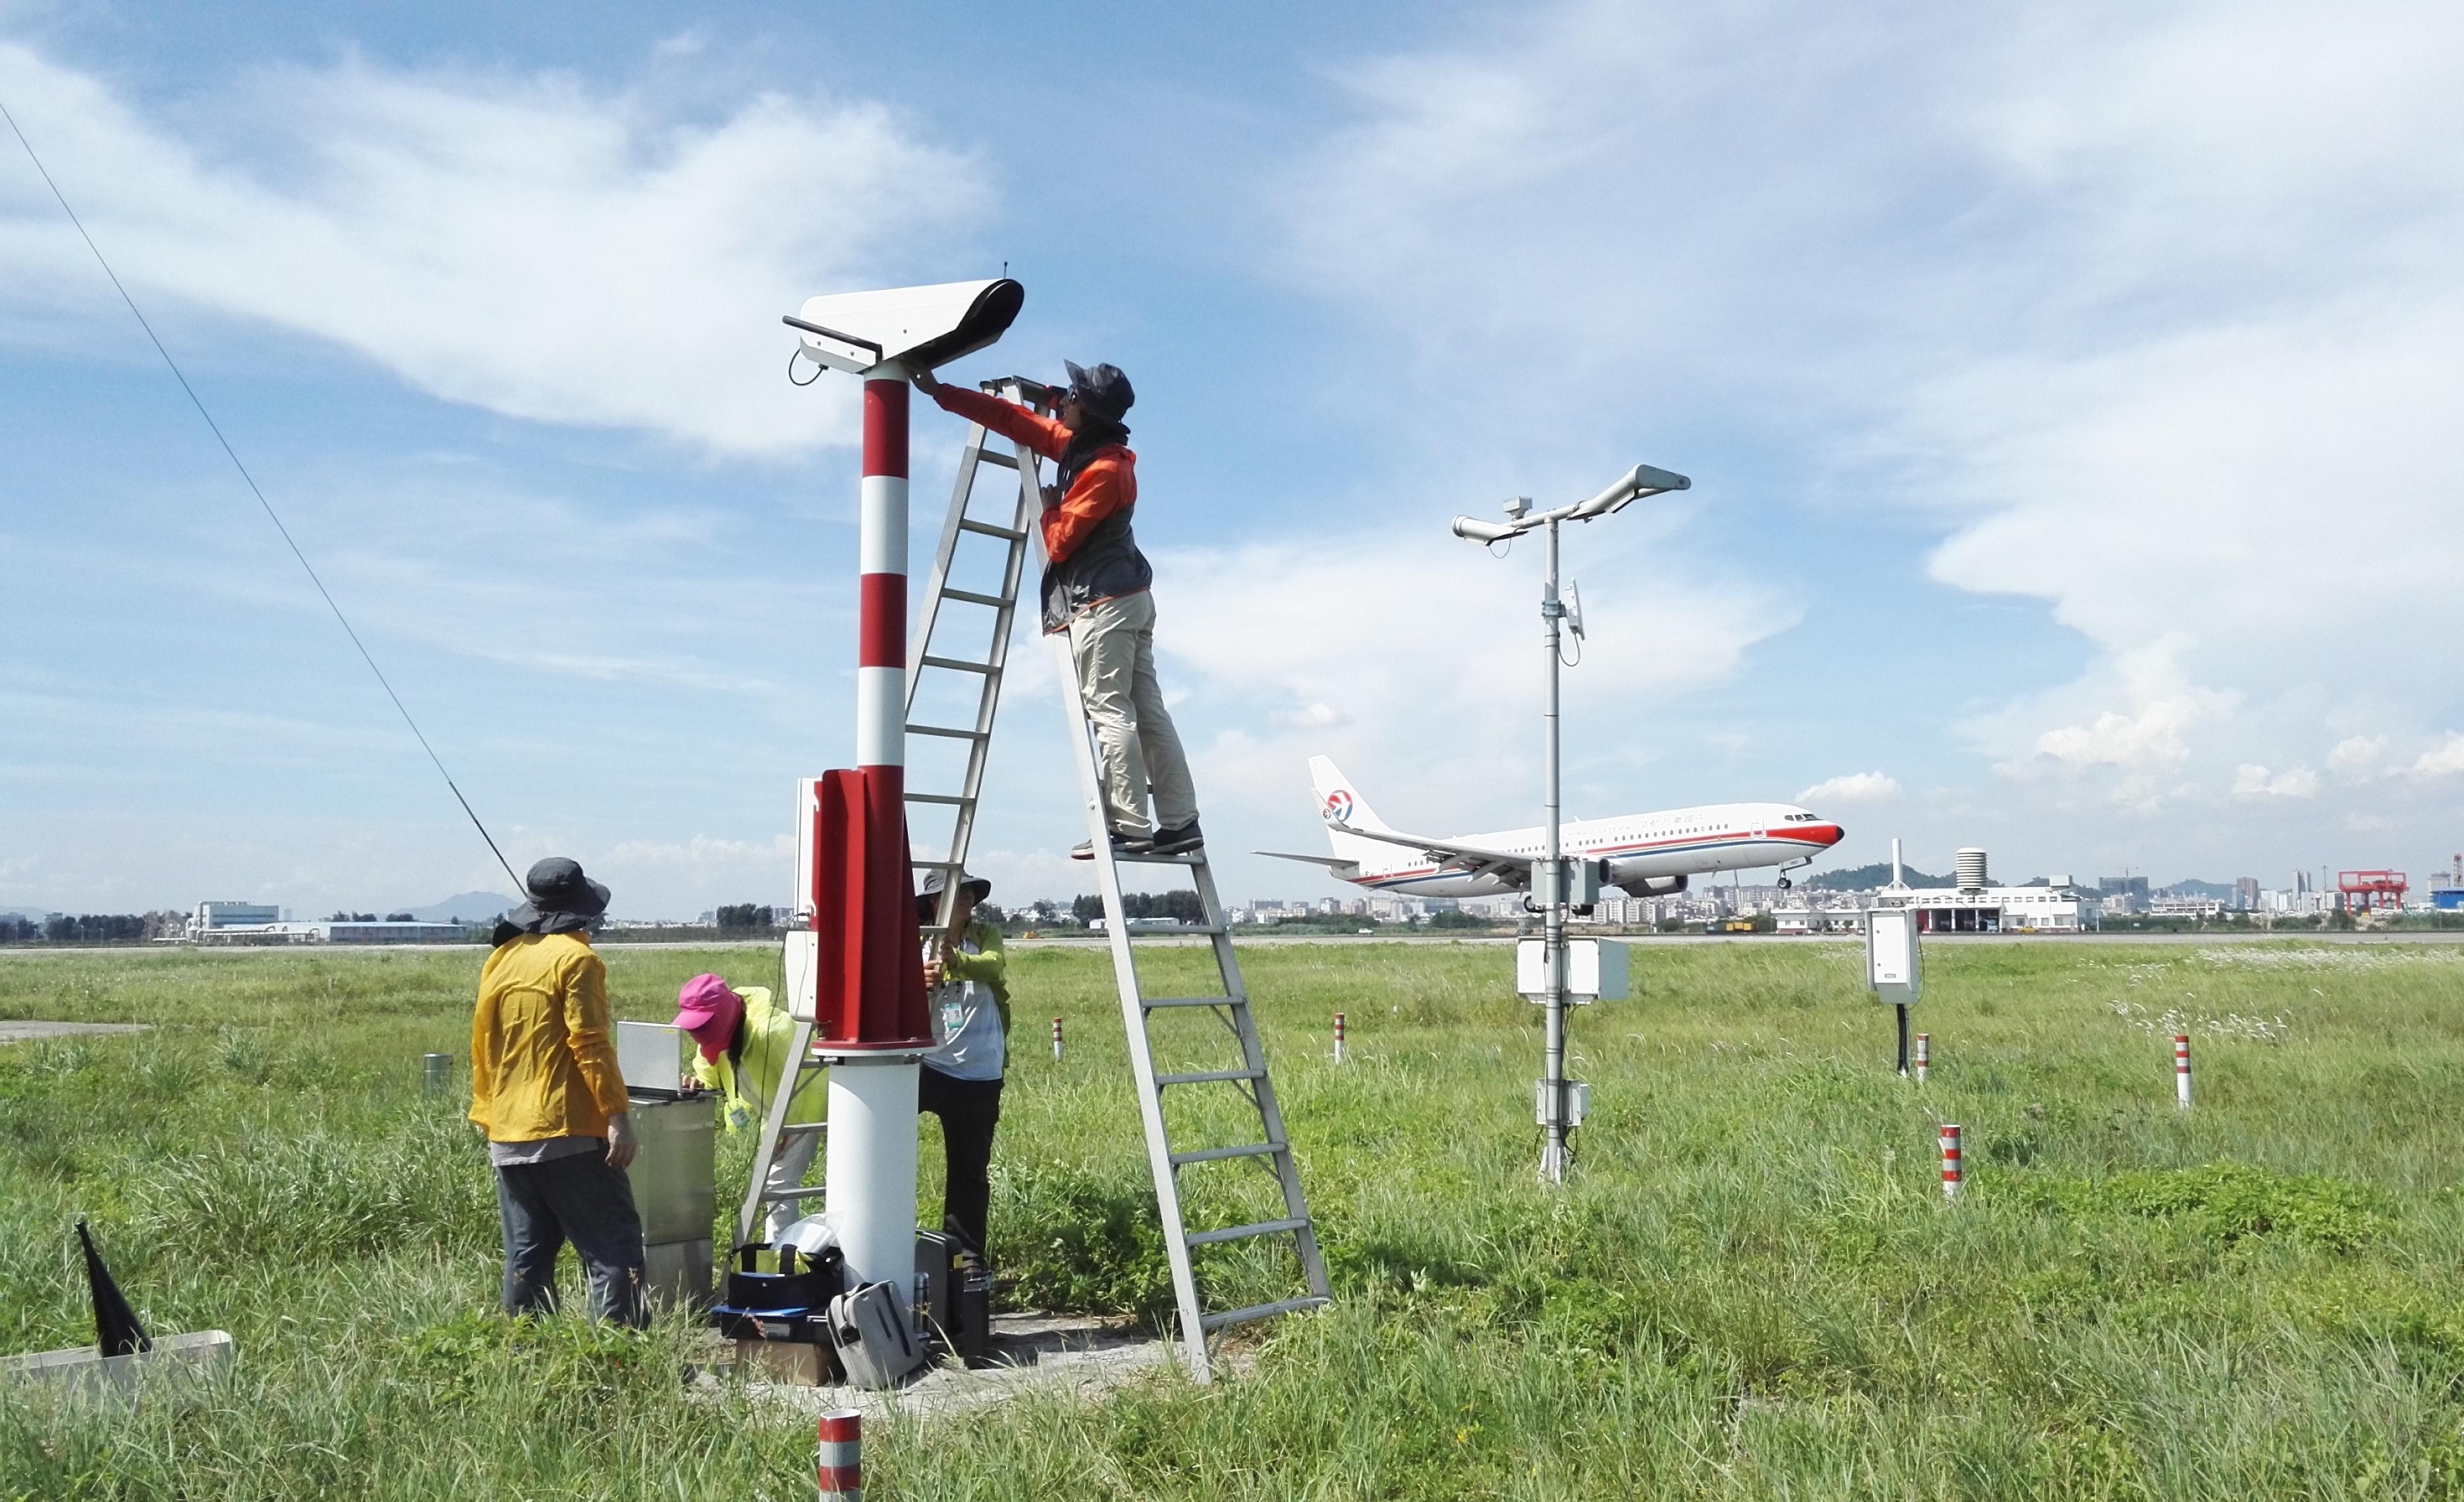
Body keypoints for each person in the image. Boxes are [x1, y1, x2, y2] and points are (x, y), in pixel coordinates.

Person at [913, 361, 1202, 859]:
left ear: (1086, 411)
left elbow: (1061, 543)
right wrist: (943, 393)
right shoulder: (1085, 449)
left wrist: (1048, 506)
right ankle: (1179, 823)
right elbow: (1011, 418)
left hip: (1104, 605)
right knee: (1148, 713)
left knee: (1110, 710)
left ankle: (1130, 826)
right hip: (1128, 599)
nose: (1062, 400)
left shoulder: (1103, 471)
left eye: (1072, 395)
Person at [468, 857, 645, 1326]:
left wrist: (490, 1114)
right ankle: (617, 1354)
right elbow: (590, 1043)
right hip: (568, 1130)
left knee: (528, 1258)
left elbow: (482, 1043)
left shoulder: (500, 959)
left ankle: (528, 1350)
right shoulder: (577, 959)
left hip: (508, 1132)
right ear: (584, 909)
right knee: (614, 1250)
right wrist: (617, 1115)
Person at [671, 972, 827, 1243]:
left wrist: (783, 1132)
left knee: (779, 1183)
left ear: (721, 1015)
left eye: (702, 1025)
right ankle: (779, 1250)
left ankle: (782, 1255)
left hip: (811, 1104)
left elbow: (800, 1086)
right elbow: (708, 1074)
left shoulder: (772, 1033)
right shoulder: (717, 1034)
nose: (697, 1034)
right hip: (777, 1109)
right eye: (694, 1027)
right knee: (775, 1184)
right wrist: (695, 1083)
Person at [916, 869, 1009, 1265]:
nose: (967, 898)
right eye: (957, 893)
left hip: (979, 1071)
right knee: (889, 1149)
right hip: (926, 1064)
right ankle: (892, 1240)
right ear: (934, 904)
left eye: (970, 892)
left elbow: (994, 966)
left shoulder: (985, 935)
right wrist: (917, 982)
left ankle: (965, 1259)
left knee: (970, 1171)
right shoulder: (916, 942)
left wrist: (958, 960)